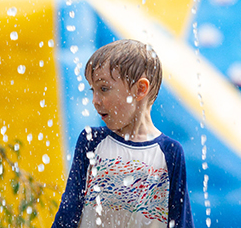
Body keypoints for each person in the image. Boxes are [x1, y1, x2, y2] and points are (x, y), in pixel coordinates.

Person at [52, 39, 193, 228]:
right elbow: (68, 213)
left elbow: (180, 222)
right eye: (92, 90)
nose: (95, 100)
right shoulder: (91, 142)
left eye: (103, 88)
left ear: (140, 89)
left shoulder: (169, 153)